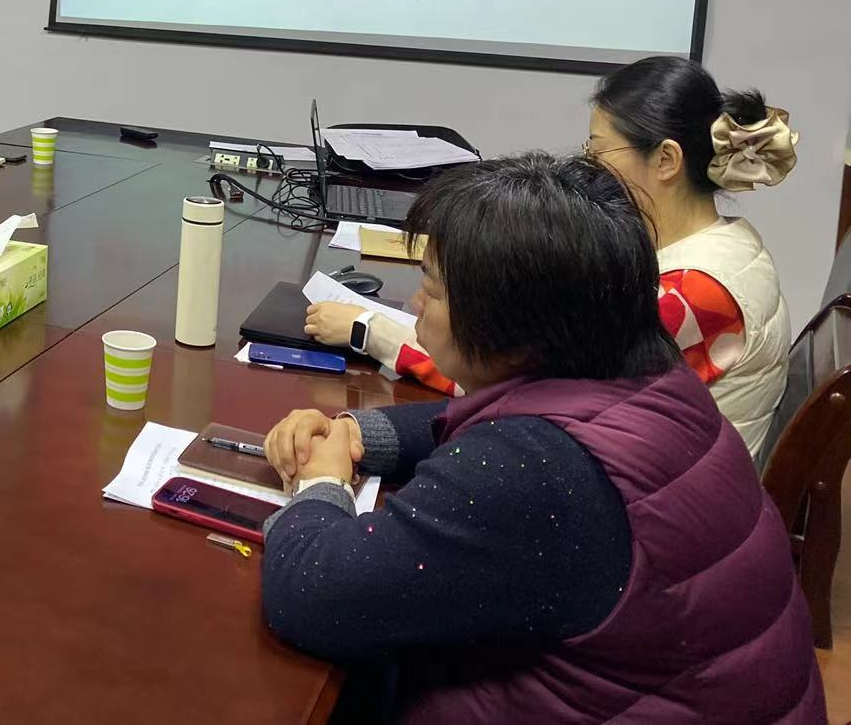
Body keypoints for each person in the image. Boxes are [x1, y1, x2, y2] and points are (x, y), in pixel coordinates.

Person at [261, 153, 823, 724]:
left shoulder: (537, 471)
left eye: (432, 288)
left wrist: (321, 481)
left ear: (509, 324)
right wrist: (356, 431)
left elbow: (312, 594)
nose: (415, 305)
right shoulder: (647, 373)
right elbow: (498, 419)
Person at [304, 56, 797, 459]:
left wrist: (371, 330)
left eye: (599, 150)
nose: (587, 167)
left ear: (666, 160)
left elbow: (532, 393)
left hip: (660, 512)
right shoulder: (713, 242)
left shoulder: (697, 290)